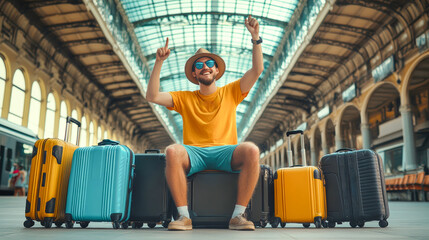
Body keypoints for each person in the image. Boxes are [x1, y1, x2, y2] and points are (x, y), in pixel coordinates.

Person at [146, 15, 263, 231]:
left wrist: (255, 38)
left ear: (217, 70)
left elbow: (257, 71)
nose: (205, 67)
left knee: (251, 150)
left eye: (210, 64)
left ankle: (238, 216)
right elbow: (152, 96)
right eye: (199, 65)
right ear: (194, 73)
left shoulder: (232, 92)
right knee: (172, 151)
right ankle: (183, 217)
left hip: (226, 151)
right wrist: (159, 62)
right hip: (194, 153)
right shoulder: (184, 97)